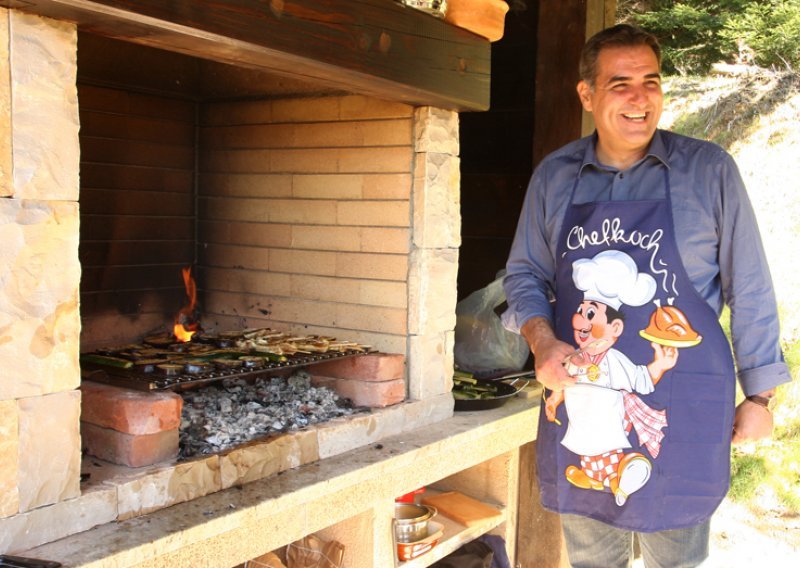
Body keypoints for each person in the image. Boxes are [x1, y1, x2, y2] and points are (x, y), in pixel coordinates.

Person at [502, 24, 791, 568]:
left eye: (650, 81)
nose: (640, 98)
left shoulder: (708, 171)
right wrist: (541, 341)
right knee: (592, 559)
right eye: (620, 84)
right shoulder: (555, 177)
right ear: (586, 95)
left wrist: (758, 398)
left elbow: (750, 285)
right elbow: (523, 275)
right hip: (582, 403)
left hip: (686, 406)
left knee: (676, 560)